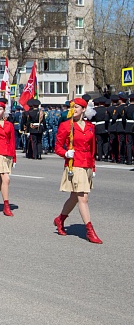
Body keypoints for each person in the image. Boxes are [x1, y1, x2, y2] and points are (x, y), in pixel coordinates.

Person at [53, 98, 102, 243]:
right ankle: (90, 231)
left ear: (83, 110)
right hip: (75, 164)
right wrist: (65, 153)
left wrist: (93, 166)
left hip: (86, 163)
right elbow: (58, 147)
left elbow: (93, 148)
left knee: (74, 197)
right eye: (72, 107)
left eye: (77, 107)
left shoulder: (90, 126)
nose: (73, 109)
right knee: (83, 197)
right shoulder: (65, 126)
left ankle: (60, 219)